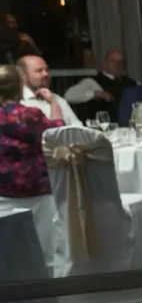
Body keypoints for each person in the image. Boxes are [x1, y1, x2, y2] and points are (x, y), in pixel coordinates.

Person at [0, 63, 56, 198]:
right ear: (20, 86)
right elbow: (56, 135)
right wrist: (53, 103)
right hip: (34, 190)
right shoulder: (28, 115)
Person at [18, 54, 80, 127]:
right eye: (39, 71)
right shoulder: (17, 101)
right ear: (23, 75)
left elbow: (77, 127)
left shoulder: (58, 99)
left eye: (47, 70)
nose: (46, 74)